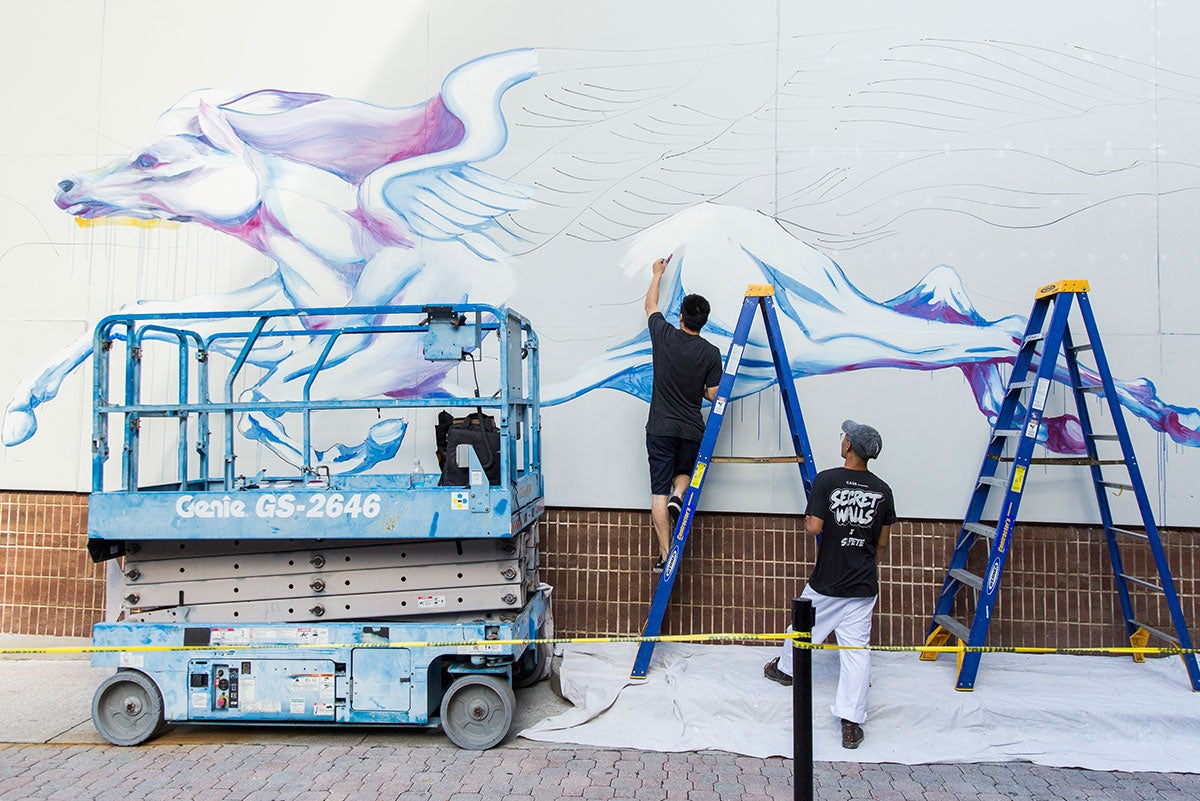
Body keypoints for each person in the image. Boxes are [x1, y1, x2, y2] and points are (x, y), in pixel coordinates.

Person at [763, 419, 896, 750]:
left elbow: (814, 528)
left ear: (848, 446)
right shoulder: (883, 490)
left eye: (844, 437)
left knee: (803, 628)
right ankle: (851, 722)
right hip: (863, 584)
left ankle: (785, 670)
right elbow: (882, 543)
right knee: (856, 650)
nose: (842, 440)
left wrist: (809, 518)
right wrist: (865, 563)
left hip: (828, 580)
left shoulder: (827, 480)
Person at [644, 255, 723, 572]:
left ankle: (666, 555)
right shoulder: (711, 353)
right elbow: (713, 394)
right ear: (703, 321)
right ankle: (681, 493)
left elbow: (650, 307)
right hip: (691, 429)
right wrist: (699, 388)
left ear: (681, 317)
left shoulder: (663, 335)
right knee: (683, 474)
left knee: (657, 494)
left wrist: (657, 275)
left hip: (660, 428)